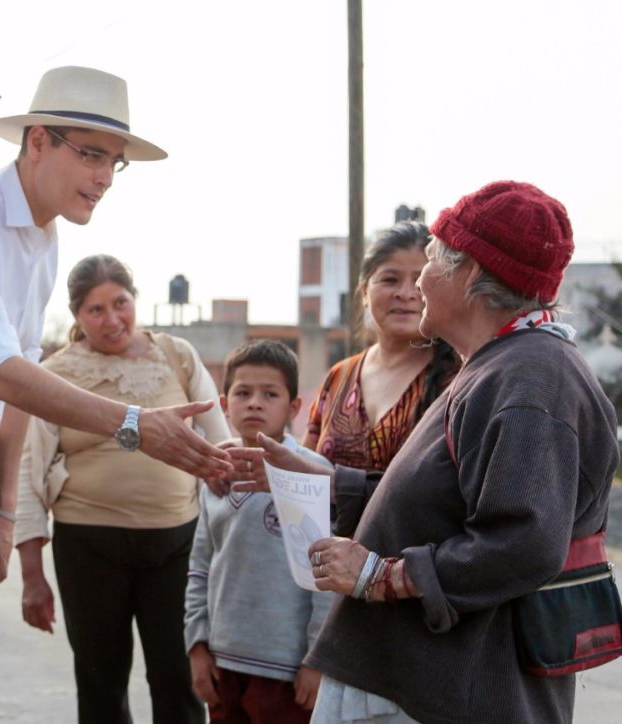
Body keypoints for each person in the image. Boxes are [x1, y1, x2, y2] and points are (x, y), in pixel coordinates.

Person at [0, 67, 232, 722]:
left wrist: (4, 511)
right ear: (37, 141)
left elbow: (16, 382)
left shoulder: (43, 235)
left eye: (113, 163)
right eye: (89, 153)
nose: (102, 176)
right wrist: (135, 424)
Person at [239, 182, 618, 723]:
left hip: (449, 693)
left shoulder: (532, 379)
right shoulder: (501, 365)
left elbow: (523, 543)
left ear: (470, 275)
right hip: (417, 681)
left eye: (434, 257)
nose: (419, 278)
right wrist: (328, 483)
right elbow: (445, 502)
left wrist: (380, 575)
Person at [14, 255, 230, 724]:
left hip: (178, 546)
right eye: (96, 310)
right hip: (88, 546)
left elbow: (221, 440)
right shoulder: (55, 374)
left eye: (121, 303)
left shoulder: (177, 355)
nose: (112, 319)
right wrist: (32, 575)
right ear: (77, 316)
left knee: (179, 680)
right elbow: (30, 475)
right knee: (101, 683)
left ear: (135, 300)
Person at [185, 340, 333, 724]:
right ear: (224, 402)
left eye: (270, 394)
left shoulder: (310, 474)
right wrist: (197, 646)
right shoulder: (214, 474)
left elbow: (327, 578)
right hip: (222, 663)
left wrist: (317, 659)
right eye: (243, 392)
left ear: (294, 407)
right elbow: (200, 566)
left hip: (286, 669)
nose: (255, 403)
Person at [303, 221, 457, 471]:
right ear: (364, 291)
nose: (405, 293)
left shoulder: (458, 379)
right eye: (390, 279)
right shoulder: (339, 377)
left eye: (419, 280)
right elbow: (302, 471)